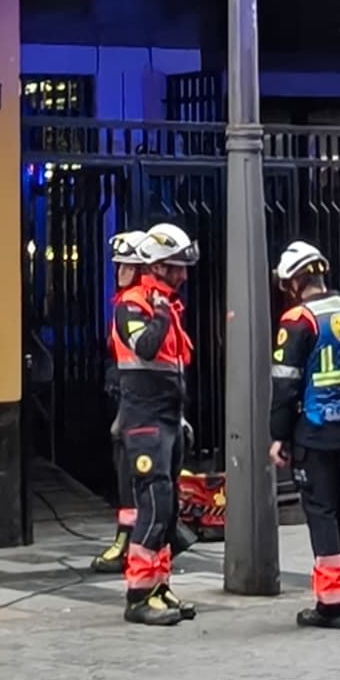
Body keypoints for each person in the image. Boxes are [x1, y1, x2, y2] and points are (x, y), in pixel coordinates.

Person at [270, 242, 340, 629]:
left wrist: (278, 436)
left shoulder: (299, 320)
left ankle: (331, 606)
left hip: (315, 433)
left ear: (296, 281)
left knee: (321, 513)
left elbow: (285, 386)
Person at [105, 225, 198, 621]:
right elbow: (144, 346)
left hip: (166, 419)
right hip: (143, 421)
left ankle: (159, 586)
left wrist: (179, 418)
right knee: (153, 504)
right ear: (157, 266)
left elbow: (173, 369)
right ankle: (139, 595)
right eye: (177, 268)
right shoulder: (132, 304)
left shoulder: (167, 305)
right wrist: (159, 310)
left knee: (168, 506)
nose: (184, 276)